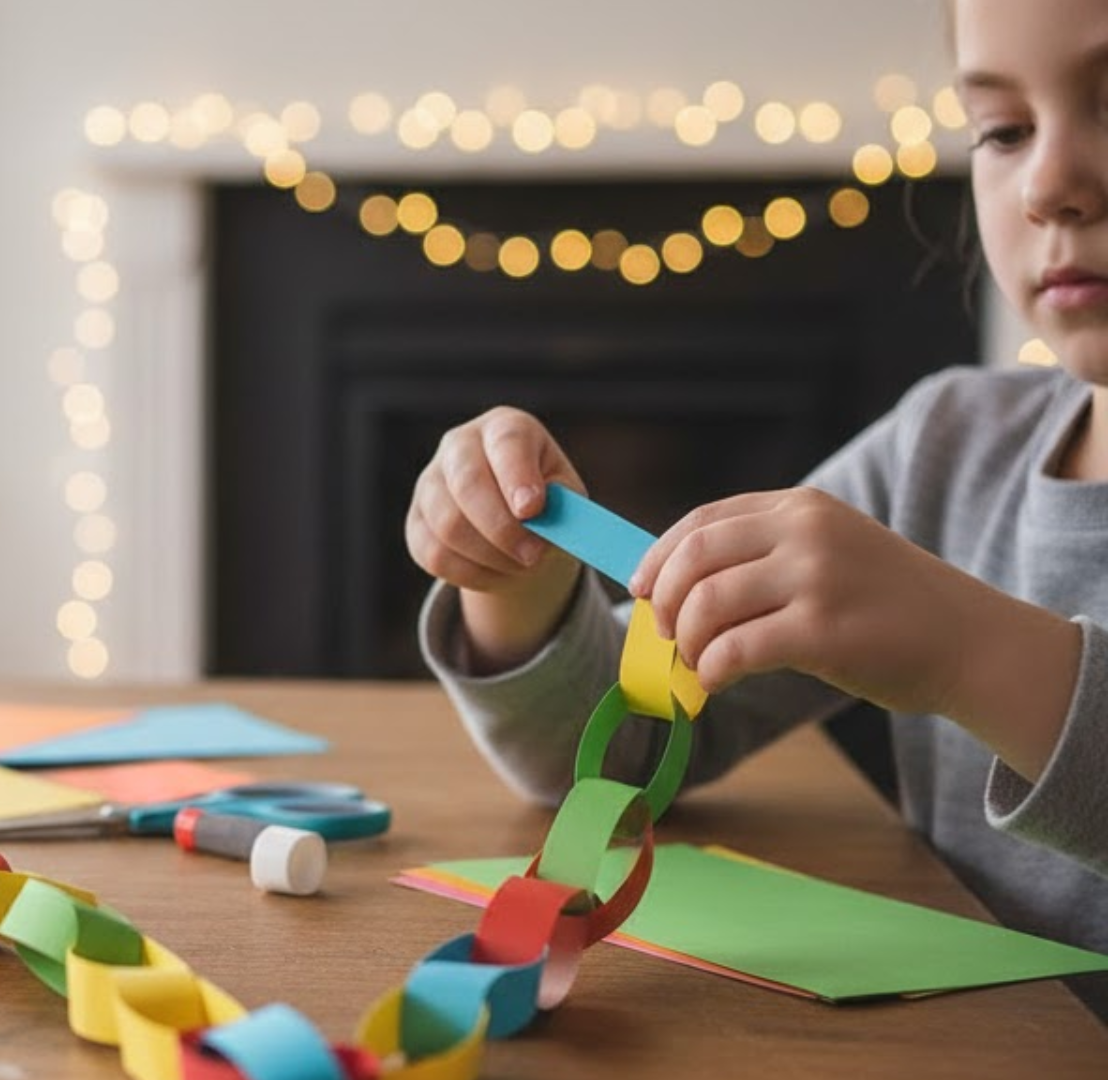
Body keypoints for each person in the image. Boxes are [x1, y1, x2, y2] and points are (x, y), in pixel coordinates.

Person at [404, 0, 1107, 1022]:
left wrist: (969, 653)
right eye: (1002, 130)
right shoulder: (948, 447)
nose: (1048, 183)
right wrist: (520, 582)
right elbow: (615, 762)